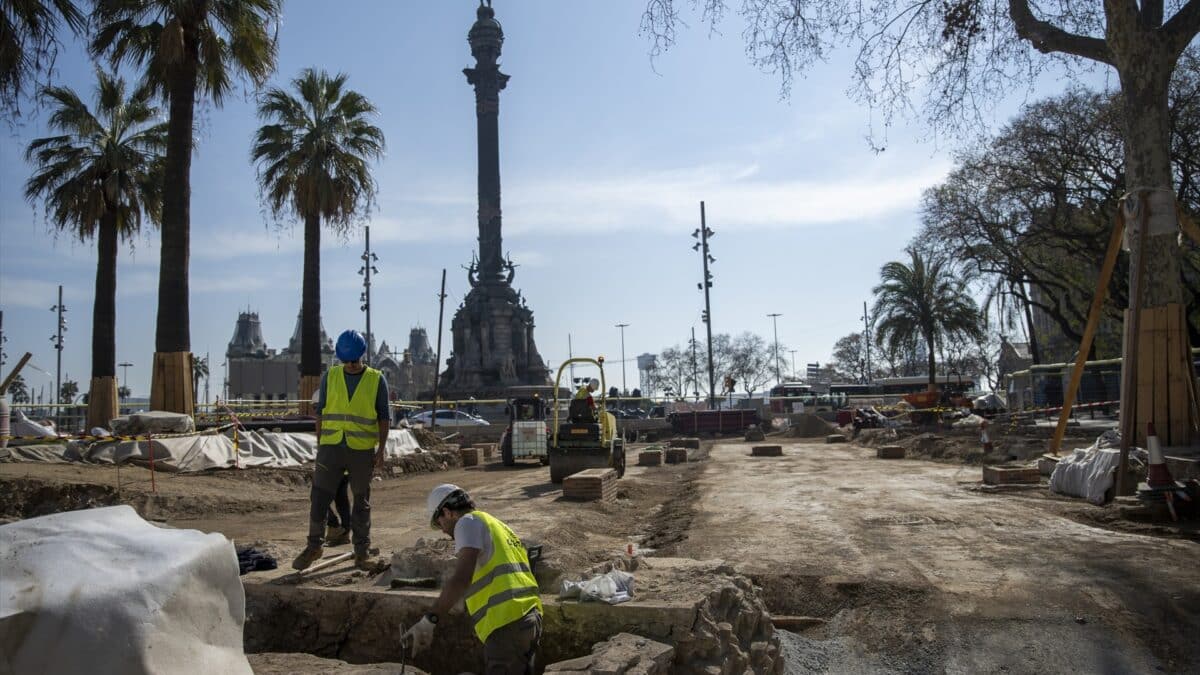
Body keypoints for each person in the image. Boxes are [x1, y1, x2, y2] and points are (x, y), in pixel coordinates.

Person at [403, 484, 542, 674]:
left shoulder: (466, 522)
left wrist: (429, 620)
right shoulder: (498, 525)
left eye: (439, 523)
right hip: (530, 618)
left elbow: (461, 578)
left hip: (506, 623)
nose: (442, 531)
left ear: (447, 512)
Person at [292, 329, 391, 571]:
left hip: (361, 450)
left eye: (355, 360)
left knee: (361, 502)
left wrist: (380, 451)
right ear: (340, 358)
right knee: (319, 497)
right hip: (331, 447)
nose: (351, 365)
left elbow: (384, 418)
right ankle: (314, 545)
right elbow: (321, 412)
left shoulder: (376, 379)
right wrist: (321, 443)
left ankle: (361, 552)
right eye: (347, 361)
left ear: (362, 356)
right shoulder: (331, 376)